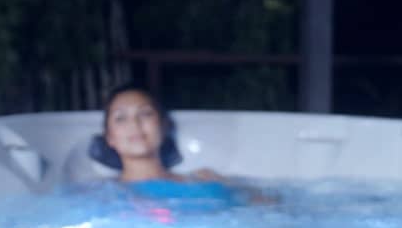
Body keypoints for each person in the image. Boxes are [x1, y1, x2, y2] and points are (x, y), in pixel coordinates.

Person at [88, 84, 272, 205]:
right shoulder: (101, 194)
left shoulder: (204, 179)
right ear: (109, 137)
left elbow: (269, 205)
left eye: (145, 114)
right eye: (121, 118)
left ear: (164, 125)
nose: (134, 124)